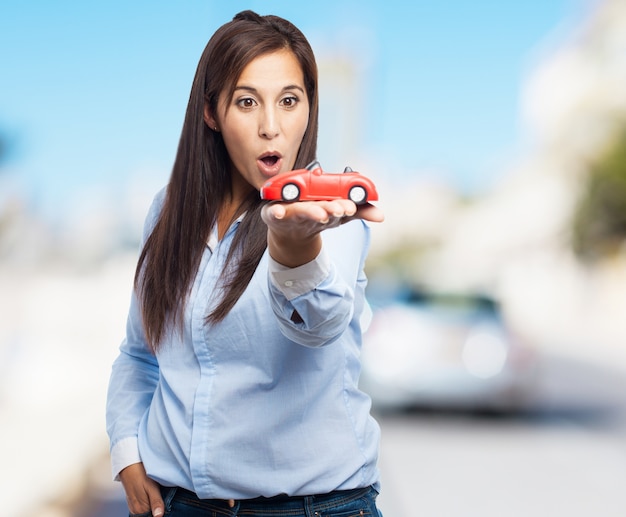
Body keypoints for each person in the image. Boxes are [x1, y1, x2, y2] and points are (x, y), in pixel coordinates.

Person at [106, 10, 385, 517]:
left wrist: (294, 248)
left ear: (308, 109)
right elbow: (139, 354)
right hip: (180, 505)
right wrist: (128, 454)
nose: (271, 127)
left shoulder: (330, 216)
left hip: (313, 508)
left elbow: (320, 327)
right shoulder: (168, 212)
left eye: (289, 101)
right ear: (211, 112)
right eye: (247, 101)